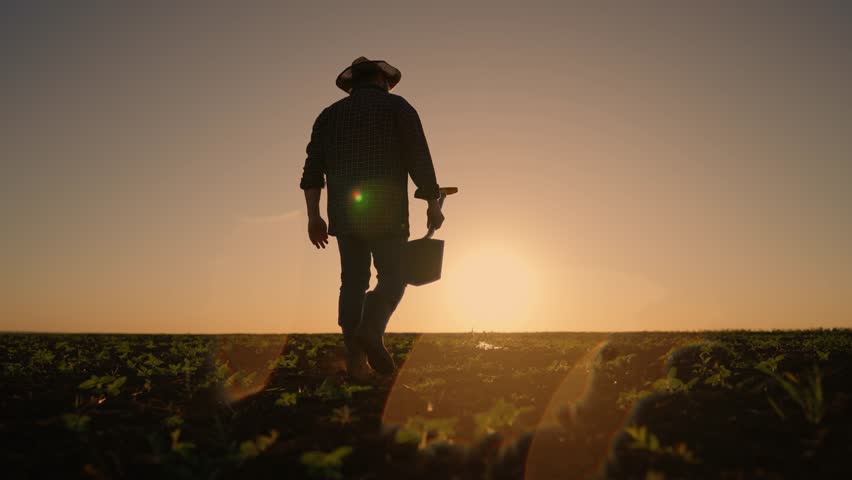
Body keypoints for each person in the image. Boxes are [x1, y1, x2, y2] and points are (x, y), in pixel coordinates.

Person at [299, 57, 444, 378]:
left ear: (353, 84)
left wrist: (314, 217)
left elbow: (312, 171)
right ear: (381, 78)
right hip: (388, 210)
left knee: (352, 281)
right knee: (392, 277)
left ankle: (355, 361)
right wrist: (433, 203)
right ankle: (372, 330)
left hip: (343, 213)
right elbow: (419, 158)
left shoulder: (328, 116)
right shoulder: (398, 108)